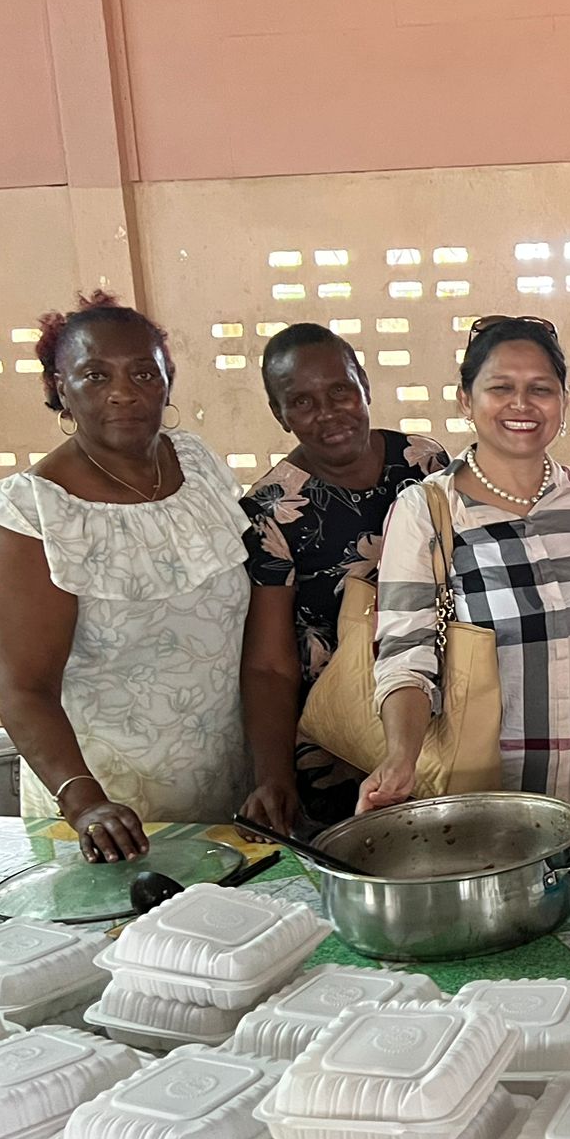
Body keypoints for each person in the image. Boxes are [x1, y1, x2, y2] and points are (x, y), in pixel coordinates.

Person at [0, 291, 253, 861]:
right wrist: (84, 802)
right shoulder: (36, 518)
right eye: (96, 375)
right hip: (108, 820)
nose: (124, 392)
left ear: (168, 382)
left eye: (143, 373)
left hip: (224, 793)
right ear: (60, 389)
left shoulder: (196, 468)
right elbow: (24, 690)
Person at [362, 315, 570, 836]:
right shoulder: (429, 510)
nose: (522, 405)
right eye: (500, 388)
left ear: (563, 400)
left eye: (541, 389)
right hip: (495, 808)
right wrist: (400, 758)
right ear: (466, 399)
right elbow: (404, 654)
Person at [237, 323, 448, 833]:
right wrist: (274, 775)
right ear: (279, 413)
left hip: (434, 713)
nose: (329, 413)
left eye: (340, 390)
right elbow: (269, 663)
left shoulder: (423, 463)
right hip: (338, 734)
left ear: (365, 386)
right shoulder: (271, 510)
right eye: (302, 402)